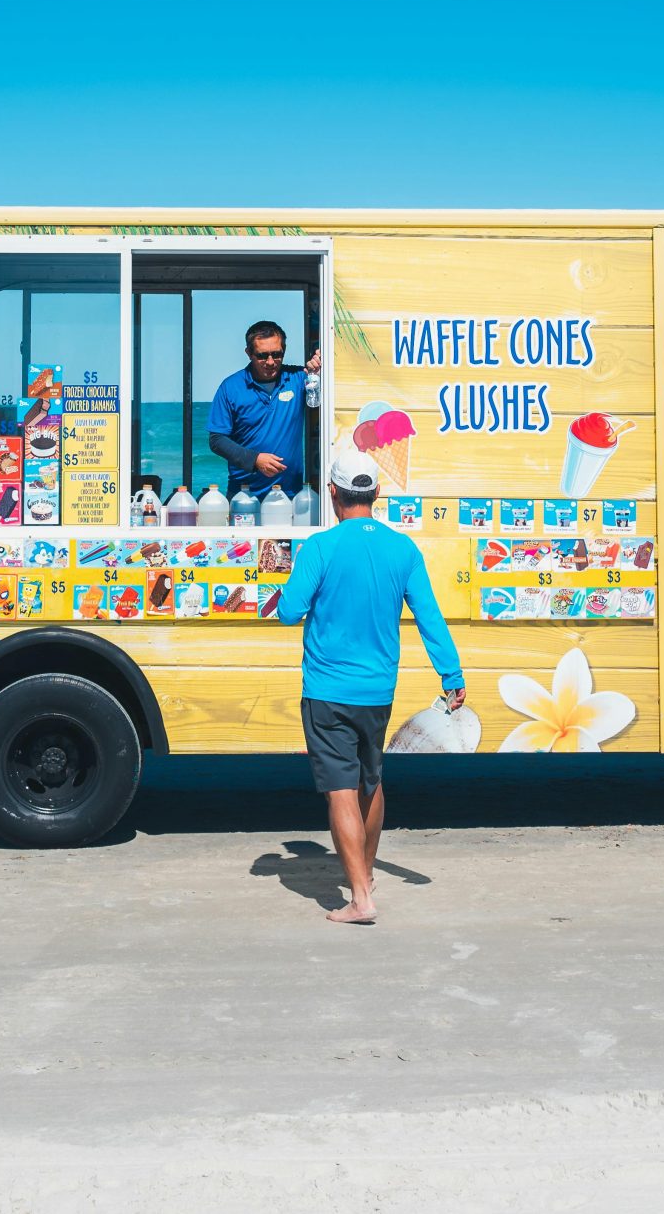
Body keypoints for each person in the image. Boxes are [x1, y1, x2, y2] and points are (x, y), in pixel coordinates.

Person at [267, 435, 462, 926]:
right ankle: (366, 874)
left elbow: (290, 613)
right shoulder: (403, 549)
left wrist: (283, 592)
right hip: (379, 692)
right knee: (371, 784)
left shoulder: (320, 546)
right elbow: (430, 617)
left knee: (340, 791)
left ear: (333, 494)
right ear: (376, 495)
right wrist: (451, 673)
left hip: (328, 690)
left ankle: (360, 898)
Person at [207, 319, 322, 501]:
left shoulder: (299, 379)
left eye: (277, 354)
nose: (270, 362)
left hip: (290, 494)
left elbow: (322, 391)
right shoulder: (230, 387)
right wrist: (255, 459)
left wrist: (319, 369)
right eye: (262, 356)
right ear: (248, 353)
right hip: (244, 495)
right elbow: (217, 440)